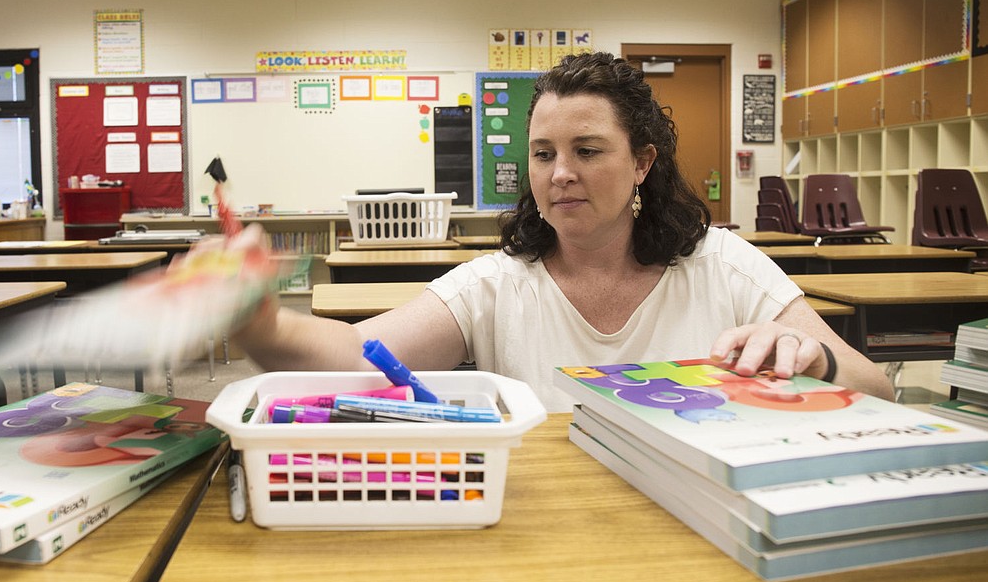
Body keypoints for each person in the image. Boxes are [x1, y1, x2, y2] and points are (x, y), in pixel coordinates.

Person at [224, 52, 892, 412]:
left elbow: (879, 387)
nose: (561, 173)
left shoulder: (725, 266)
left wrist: (812, 354)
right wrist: (262, 325)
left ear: (642, 162)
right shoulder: (496, 284)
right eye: (543, 154)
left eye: (588, 150)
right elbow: (359, 356)